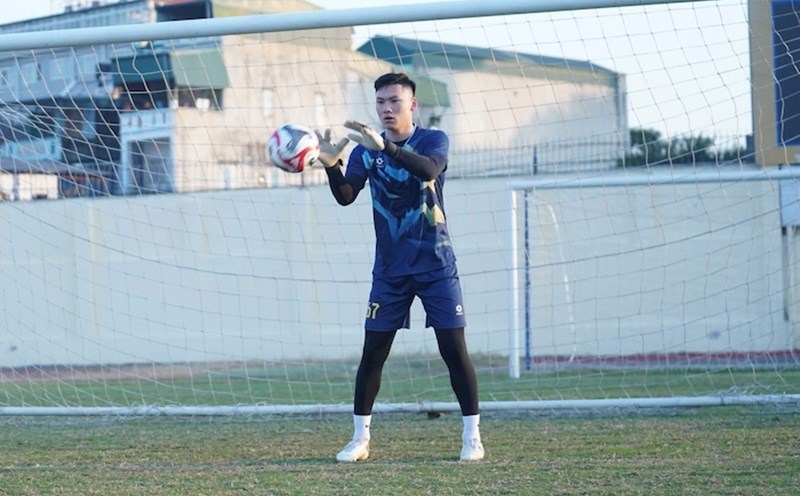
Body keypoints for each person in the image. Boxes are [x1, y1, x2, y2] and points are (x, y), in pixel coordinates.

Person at [315, 72, 484, 463]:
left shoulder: (432, 140)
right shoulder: (364, 150)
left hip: (436, 264)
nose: (386, 108)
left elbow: (428, 170)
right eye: (380, 102)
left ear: (413, 105)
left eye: (394, 101)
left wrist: (387, 149)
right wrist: (330, 165)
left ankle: (472, 436)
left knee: (453, 350)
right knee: (373, 352)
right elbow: (345, 196)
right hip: (390, 270)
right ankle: (360, 439)